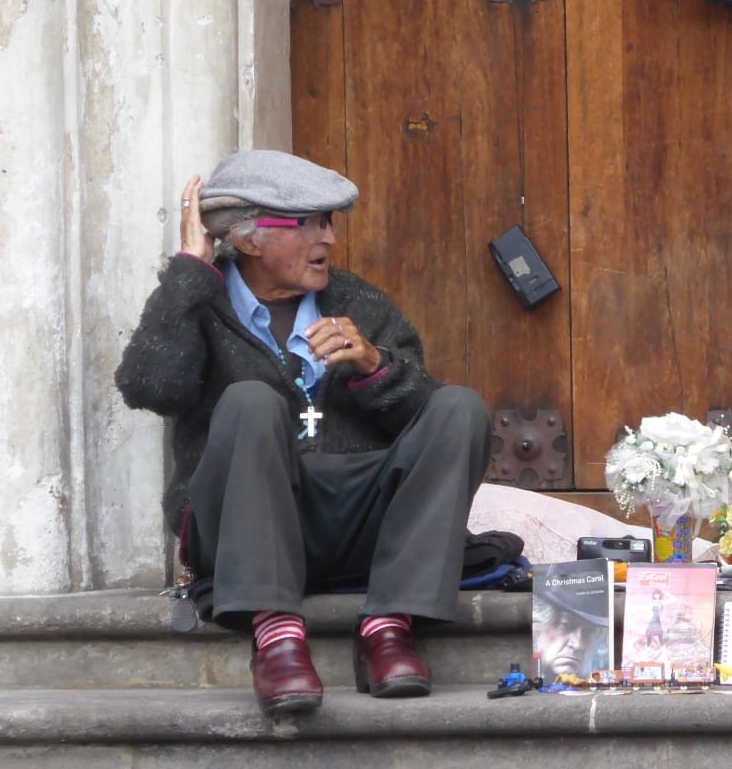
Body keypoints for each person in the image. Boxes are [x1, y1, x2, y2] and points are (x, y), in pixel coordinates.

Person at [116, 149, 492, 715]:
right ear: (246, 240)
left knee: (459, 407)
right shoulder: (199, 300)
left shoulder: (357, 300)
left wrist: (375, 366)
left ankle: (390, 626)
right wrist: (189, 271)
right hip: (247, 525)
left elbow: (430, 427)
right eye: (308, 224)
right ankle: (277, 636)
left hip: (356, 517)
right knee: (249, 402)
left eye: (330, 222)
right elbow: (150, 388)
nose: (329, 240)